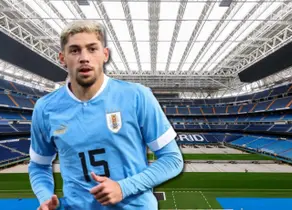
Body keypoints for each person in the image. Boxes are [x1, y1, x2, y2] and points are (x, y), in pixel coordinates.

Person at [28, 20, 184, 210]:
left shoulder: (137, 96)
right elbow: (39, 165)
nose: (84, 57)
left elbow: (172, 159)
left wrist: (123, 187)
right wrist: (45, 197)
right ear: (62, 58)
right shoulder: (45, 108)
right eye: (75, 50)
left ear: (105, 54)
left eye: (92, 49)